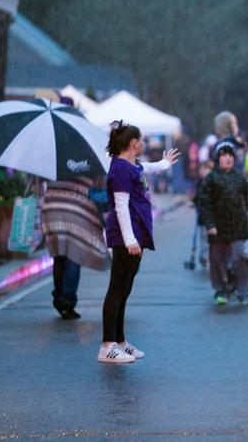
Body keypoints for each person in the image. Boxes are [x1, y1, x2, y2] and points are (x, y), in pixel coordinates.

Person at [99, 121, 180, 364]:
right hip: (126, 236)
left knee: (125, 288)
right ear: (134, 143)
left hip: (136, 234)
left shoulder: (130, 165)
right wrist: (130, 240)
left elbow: (148, 168)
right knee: (117, 288)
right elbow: (121, 207)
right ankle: (107, 345)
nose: (143, 143)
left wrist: (165, 163)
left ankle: (120, 342)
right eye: (141, 139)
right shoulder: (120, 170)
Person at [42, 177, 110, 319]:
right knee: (74, 254)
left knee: (59, 255)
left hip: (51, 209)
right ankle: (67, 300)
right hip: (76, 210)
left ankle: (59, 296)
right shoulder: (89, 163)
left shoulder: (56, 161)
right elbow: (100, 194)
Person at [198, 142, 248, 305]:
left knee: (240, 257)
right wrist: (210, 225)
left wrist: (245, 218)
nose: (228, 158)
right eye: (224, 155)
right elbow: (204, 203)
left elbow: (245, 200)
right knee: (218, 260)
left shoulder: (240, 177)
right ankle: (221, 290)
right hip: (217, 227)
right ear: (217, 158)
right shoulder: (210, 178)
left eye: (231, 155)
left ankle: (244, 291)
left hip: (238, 226)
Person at [193, 161, 213, 270]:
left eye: (205, 170)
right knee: (203, 237)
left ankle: (207, 257)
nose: (202, 172)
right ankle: (203, 257)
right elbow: (198, 196)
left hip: (211, 216)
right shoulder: (200, 182)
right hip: (202, 216)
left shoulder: (212, 182)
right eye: (202, 170)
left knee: (209, 238)